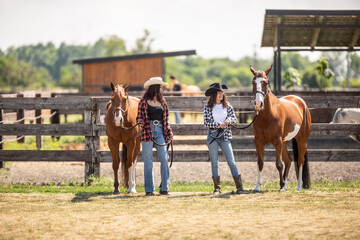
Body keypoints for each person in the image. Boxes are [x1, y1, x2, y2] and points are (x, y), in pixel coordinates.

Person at [203, 82, 244, 194]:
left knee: (231, 161)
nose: (221, 94)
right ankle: (217, 187)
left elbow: (234, 118)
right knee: (214, 162)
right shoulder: (207, 107)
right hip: (213, 136)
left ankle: (239, 186)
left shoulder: (227, 106)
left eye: (222, 92)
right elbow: (206, 122)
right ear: (214, 95)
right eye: (218, 92)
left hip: (225, 135)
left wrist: (229, 120)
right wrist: (218, 124)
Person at [136, 77, 174, 196]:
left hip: (160, 131)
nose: (162, 89)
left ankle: (164, 187)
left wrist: (169, 132)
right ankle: (149, 189)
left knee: (164, 158)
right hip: (147, 130)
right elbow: (139, 117)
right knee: (148, 161)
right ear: (155, 88)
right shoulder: (143, 102)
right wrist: (140, 122)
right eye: (160, 87)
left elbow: (166, 119)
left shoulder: (163, 102)